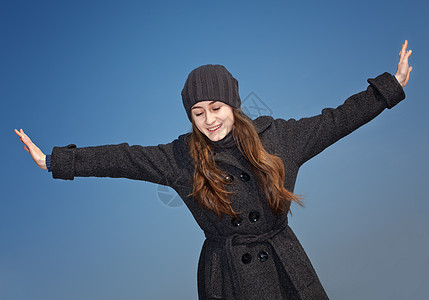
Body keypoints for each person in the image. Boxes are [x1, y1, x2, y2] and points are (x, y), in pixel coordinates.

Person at [15, 40, 412, 299]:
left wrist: (390, 86)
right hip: (227, 277)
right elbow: (124, 158)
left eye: (216, 108)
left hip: (284, 263)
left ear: (233, 105)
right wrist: (55, 160)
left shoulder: (279, 139)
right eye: (198, 112)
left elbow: (336, 120)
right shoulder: (180, 157)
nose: (209, 120)